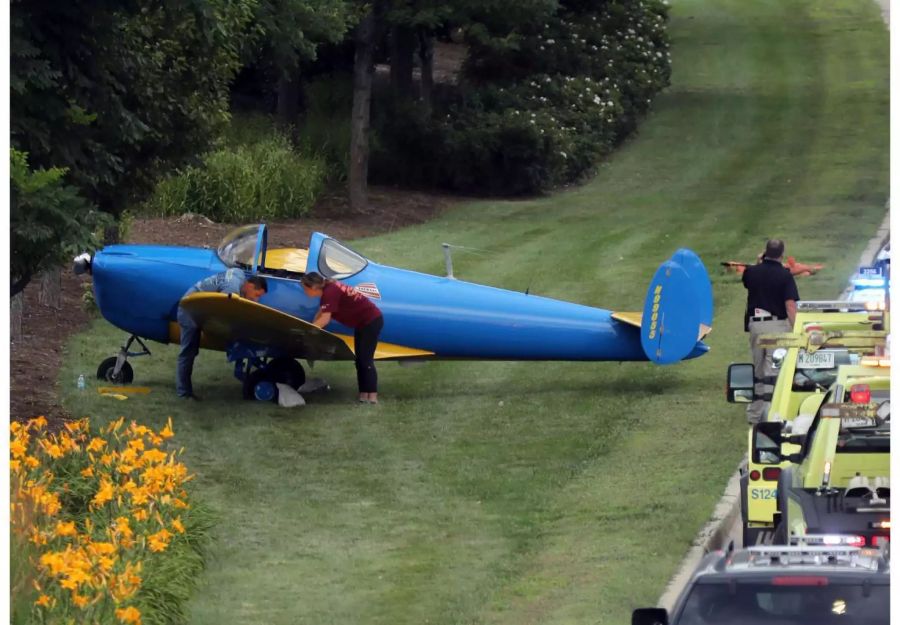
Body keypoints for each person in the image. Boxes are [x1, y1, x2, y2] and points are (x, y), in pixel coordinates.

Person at [176, 269, 268, 400]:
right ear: (250, 285)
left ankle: (184, 391)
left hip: (197, 309)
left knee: (191, 352)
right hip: (190, 312)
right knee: (188, 352)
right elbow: (223, 318)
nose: (256, 299)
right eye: (256, 294)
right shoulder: (231, 290)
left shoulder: (239, 275)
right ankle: (184, 393)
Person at [301, 272, 383, 404]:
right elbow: (321, 313)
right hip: (363, 324)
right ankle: (363, 396)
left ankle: (372, 397)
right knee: (360, 360)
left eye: (305, 289)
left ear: (313, 287)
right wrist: (311, 327)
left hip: (371, 321)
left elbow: (325, 319)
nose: (304, 292)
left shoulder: (329, 292)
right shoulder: (328, 291)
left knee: (365, 360)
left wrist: (308, 332)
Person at [742, 239, 799, 422]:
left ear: (765, 252)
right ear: (782, 254)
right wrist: (797, 328)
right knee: (774, 371)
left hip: (756, 325)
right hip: (777, 326)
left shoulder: (751, 272)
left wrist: (759, 261)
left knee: (759, 370)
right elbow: (790, 305)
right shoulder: (785, 275)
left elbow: (751, 277)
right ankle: (772, 412)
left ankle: (755, 413)